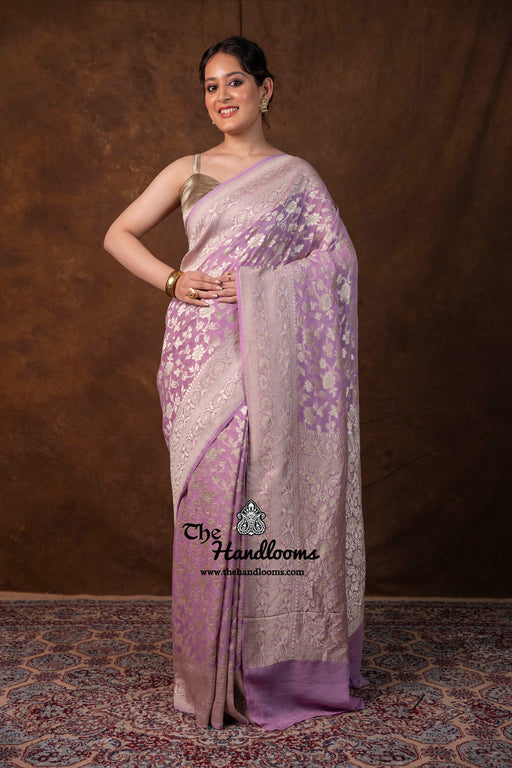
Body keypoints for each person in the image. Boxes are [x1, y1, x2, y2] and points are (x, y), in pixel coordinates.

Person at [104, 36, 367, 731]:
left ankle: (271, 668)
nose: (222, 96)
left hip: (271, 358)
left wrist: (256, 287)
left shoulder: (297, 178)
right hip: (199, 356)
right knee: (211, 503)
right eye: (211, 86)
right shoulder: (186, 170)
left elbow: (337, 263)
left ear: (265, 90)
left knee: (264, 500)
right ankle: (208, 674)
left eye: (235, 82)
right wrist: (173, 279)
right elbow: (118, 234)